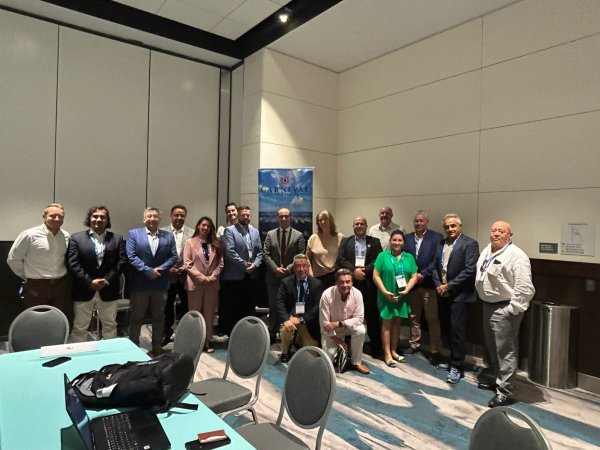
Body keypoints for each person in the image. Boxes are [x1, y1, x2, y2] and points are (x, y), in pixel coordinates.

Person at [475, 221, 535, 408]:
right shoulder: (487, 250)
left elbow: (525, 286)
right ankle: (496, 378)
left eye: (501, 231)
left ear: (510, 235)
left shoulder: (516, 255)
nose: (496, 234)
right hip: (488, 306)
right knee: (493, 347)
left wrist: (512, 309)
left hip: (504, 308)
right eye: (493, 230)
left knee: (505, 351)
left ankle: (505, 391)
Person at [431, 213, 479, 384]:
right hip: (443, 293)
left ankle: (457, 366)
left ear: (460, 226)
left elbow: (470, 270)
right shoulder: (441, 243)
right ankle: (452, 360)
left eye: (453, 226)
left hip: (460, 295)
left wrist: (449, 286)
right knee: (448, 329)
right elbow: (434, 267)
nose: (450, 229)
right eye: (447, 227)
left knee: (457, 331)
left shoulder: (470, 244)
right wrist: (439, 285)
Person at [67, 206, 127, 342]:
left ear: (107, 220)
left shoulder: (117, 238)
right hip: (84, 289)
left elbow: (121, 262)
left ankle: (109, 354)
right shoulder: (76, 238)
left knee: (110, 326)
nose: (98, 219)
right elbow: (73, 263)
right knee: (80, 327)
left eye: (102, 217)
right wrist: (89, 282)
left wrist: (106, 280)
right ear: (89, 219)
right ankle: (79, 354)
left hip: (108, 289)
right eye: (95, 216)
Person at [126, 207, 178, 356]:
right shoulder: (134, 234)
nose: (152, 219)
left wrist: (160, 270)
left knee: (159, 317)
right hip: (140, 284)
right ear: (144, 219)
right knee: (136, 317)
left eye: (155, 216)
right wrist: (148, 271)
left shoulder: (168, 236)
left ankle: (157, 348)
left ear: (159, 219)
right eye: (149, 216)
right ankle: (133, 349)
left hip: (160, 284)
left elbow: (174, 257)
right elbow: (131, 256)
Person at [7, 203, 71, 317]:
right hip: (37, 286)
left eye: (60, 216)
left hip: (60, 285)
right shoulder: (29, 235)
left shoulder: (66, 236)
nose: (57, 219)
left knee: (58, 318)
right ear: (44, 216)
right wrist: (27, 276)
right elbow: (13, 259)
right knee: (35, 318)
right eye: (53, 216)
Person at [337, 216, 383, 358]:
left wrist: (365, 271)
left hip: (369, 283)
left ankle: (376, 347)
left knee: (372, 315)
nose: (359, 226)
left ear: (366, 226)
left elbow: (378, 259)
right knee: (349, 313)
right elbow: (341, 259)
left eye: (362, 223)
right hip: (350, 283)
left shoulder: (374, 242)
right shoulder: (346, 241)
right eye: (356, 224)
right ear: (353, 226)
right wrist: (354, 271)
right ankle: (348, 347)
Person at [372, 230, 418, 367]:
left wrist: (407, 290)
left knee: (397, 323)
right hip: (387, 296)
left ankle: (394, 350)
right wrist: (384, 292)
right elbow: (376, 275)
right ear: (390, 241)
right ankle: (387, 354)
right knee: (386, 324)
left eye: (400, 240)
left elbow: (414, 276)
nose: (397, 243)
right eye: (394, 240)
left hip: (402, 296)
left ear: (403, 242)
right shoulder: (382, 256)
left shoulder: (409, 257)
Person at [403, 211, 444, 363]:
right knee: (414, 317)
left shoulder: (436, 237)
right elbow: (404, 258)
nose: (418, 223)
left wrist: (424, 274)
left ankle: (435, 349)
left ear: (427, 221)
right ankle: (414, 344)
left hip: (428, 284)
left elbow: (437, 260)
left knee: (432, 318)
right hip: (412, 284)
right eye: (416, 221)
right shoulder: (407, 238)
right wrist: (414, 276)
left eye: (421, 221)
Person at [263, 208, 306, 341]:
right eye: (281, 216)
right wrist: (275, 269)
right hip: (273, 277)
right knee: (273, 306)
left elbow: (300, 256)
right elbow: (266, 254)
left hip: (291, 277)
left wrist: (287, 269)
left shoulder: (298, 235)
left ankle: (289, 336)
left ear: (290, 217)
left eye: (286, 216)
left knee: (291, 306)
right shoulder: (270, 234)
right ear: (277, 218)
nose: (283, 219)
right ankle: (272, 333)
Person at [220, 205, 263, 335]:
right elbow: (230, 252)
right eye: (243, 215)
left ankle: (247, 334)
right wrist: (245, 265)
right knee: (234, 309)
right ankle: (233, 336)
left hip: (251, 276)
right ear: (238, 215)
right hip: (234, 277)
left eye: (247, 215)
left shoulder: (255, 231)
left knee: (249, 307)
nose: (245, 217)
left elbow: (260, 252)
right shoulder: (230, 230)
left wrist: (255, 265)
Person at [183, 216, 224, 353]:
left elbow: (220, 263)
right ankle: (194, 342)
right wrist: (202, 278)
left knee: (209, 314)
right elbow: (188, 264)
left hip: (212, 284)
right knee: (194, 314)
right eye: (203, 225)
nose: (206, 228)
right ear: (198, 226)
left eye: (208, 226)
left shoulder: (216, 243)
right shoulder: (190, 242)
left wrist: (212, 277)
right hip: (195, 284)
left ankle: (207, 341)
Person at [319, 268, 370, 375]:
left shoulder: (357, 294)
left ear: (352, 282)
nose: (345, 285)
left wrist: (340, 323)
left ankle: (356, 362)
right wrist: (337, 340)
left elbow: (360, 318)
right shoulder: (327, 294)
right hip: (331, 330)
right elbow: (324, 323)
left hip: (346, 326)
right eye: (341, 282)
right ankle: (339, 351)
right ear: (336, 283)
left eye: (348, 282)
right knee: (327, 363)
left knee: (361, 330)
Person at [275, 254, 324, 363]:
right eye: (298, 266)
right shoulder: (285, 282)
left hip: (307, 321)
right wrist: (287, 319)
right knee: (286, 330)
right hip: (291, 318)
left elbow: (317, 307)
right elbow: (279, 302)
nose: (301, 269)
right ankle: (285, 352)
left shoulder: (317, 284)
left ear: (308, 266)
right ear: (294, 267)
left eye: (304, 265)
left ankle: (298, 340)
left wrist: (301, 320)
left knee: (311, 355)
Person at [160, 205, 194, 345]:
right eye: (176, 215)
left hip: (186, 277)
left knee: (186, 308)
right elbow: (158, 254)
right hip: (168, 277)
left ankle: (185, 335)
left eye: (182, 215)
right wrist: (167, 268)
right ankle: (166, 334)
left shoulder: (192, 233)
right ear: (171, 215)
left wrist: (187, 267)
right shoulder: (162, 232)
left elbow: (195, 255)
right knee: (166, 308)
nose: (179, 218)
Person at [306, 210, 344, 288]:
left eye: (326, 219)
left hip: (336, 276)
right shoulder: (313, 238)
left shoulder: (340, 237)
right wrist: (311, 275)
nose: (323, 222)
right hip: (318, 277)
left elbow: (344, 258)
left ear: (331, 220)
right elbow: (307, 258)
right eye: (320, 220)